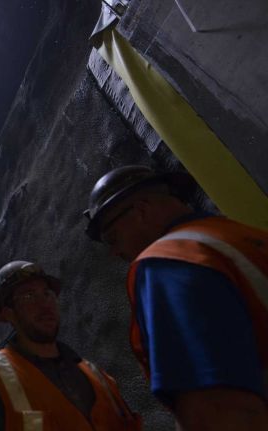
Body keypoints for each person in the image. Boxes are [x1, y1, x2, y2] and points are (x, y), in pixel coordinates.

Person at [84, 165, 268, 430]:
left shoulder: (166, 261)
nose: (115, 251)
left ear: (140, 211)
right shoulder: (238, 236)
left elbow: (217, 407)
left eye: (113, 238)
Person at [0, 260, 140, 431]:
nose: (44, 304)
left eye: (47, 293)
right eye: (29, 296)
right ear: (8, 313)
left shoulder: (96, 376)